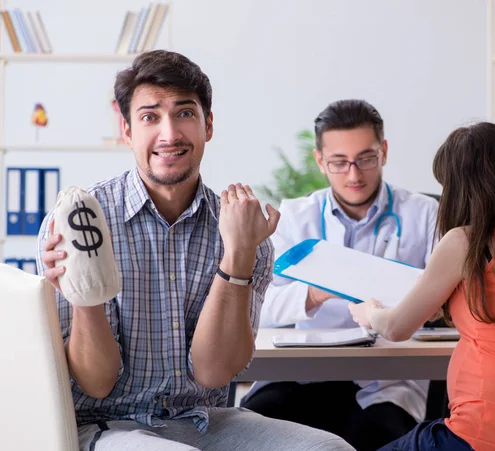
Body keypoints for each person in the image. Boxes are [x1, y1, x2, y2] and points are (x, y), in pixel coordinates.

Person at [36, 50, 353, 451]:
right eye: (150, 117)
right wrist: (85, 289)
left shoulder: (239, 226)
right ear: (128, 130)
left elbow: (214, 372)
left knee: (330, 449)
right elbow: (96, 383)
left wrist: (238, 253)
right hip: (106, 425)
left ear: (208, 124)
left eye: (184, 113)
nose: (169, 134)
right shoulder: (78, 221)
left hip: (205, 421)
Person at [348, 122, 495, 451]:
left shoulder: (464, 242)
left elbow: (397, 327)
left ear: (461, 188)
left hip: (483, 433)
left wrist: (369, 312)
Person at [241, 99, 440, 451]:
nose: (354, 174)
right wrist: (316, 292)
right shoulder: (294, 217)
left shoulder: (424, 214)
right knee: (255, 422)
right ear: (320, 161)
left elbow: (444, 303)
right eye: (339, 162)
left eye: (366, 158)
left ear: (384, 152)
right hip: (304, 373)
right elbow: (259, 307)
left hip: (387, 378)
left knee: (380, 435)